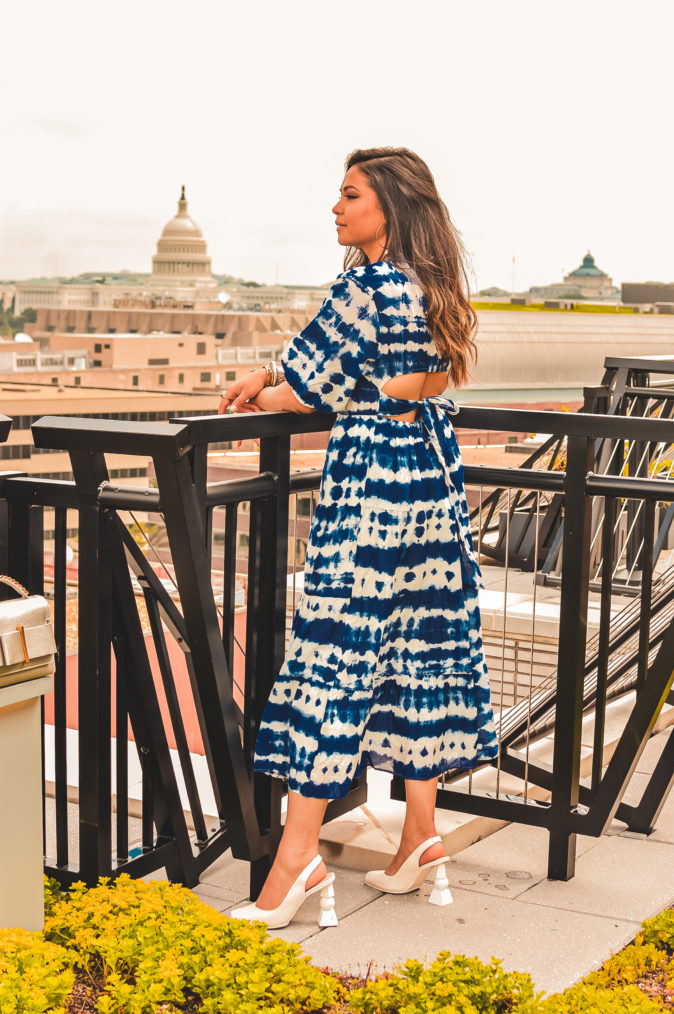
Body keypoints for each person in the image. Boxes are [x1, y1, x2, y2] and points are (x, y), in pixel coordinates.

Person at [220, 147, 498, 930]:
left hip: (374, 486)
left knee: (333, 656)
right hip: (432, 485)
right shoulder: (433, 284)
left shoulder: (367, 282)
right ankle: (418, 838)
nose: (336, 210)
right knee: (422, 645)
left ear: (389, 206)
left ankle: (296, 860)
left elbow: (308, 384)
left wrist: (261, 389)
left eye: (349, 196)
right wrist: (378, 386)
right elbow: (429, 378)